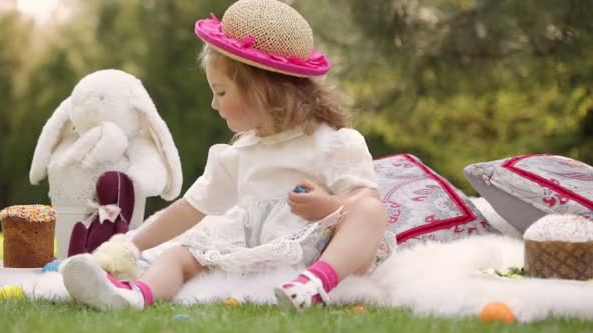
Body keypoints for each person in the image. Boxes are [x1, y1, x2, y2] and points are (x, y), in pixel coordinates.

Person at [60, 0, 395, 311]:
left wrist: (329, 206)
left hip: (319, 247)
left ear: (264, 91)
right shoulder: (239, 155)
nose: (213, 104)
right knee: (181, 254)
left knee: (370, 209)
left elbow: (367, 207)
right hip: (257, 251)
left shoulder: (333, 144)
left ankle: (313, 285)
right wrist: (130, 245)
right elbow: (188, 210)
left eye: (220, 91)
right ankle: (135, 296)